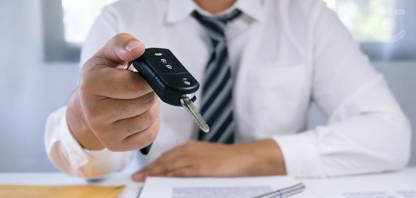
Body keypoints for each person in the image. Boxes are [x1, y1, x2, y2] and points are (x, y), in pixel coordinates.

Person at [45, 0, 411, 181]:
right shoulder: (122, 17)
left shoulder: (309, 15)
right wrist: (85, 122)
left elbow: (389, 135)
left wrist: (253, 156)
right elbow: (95, 167)